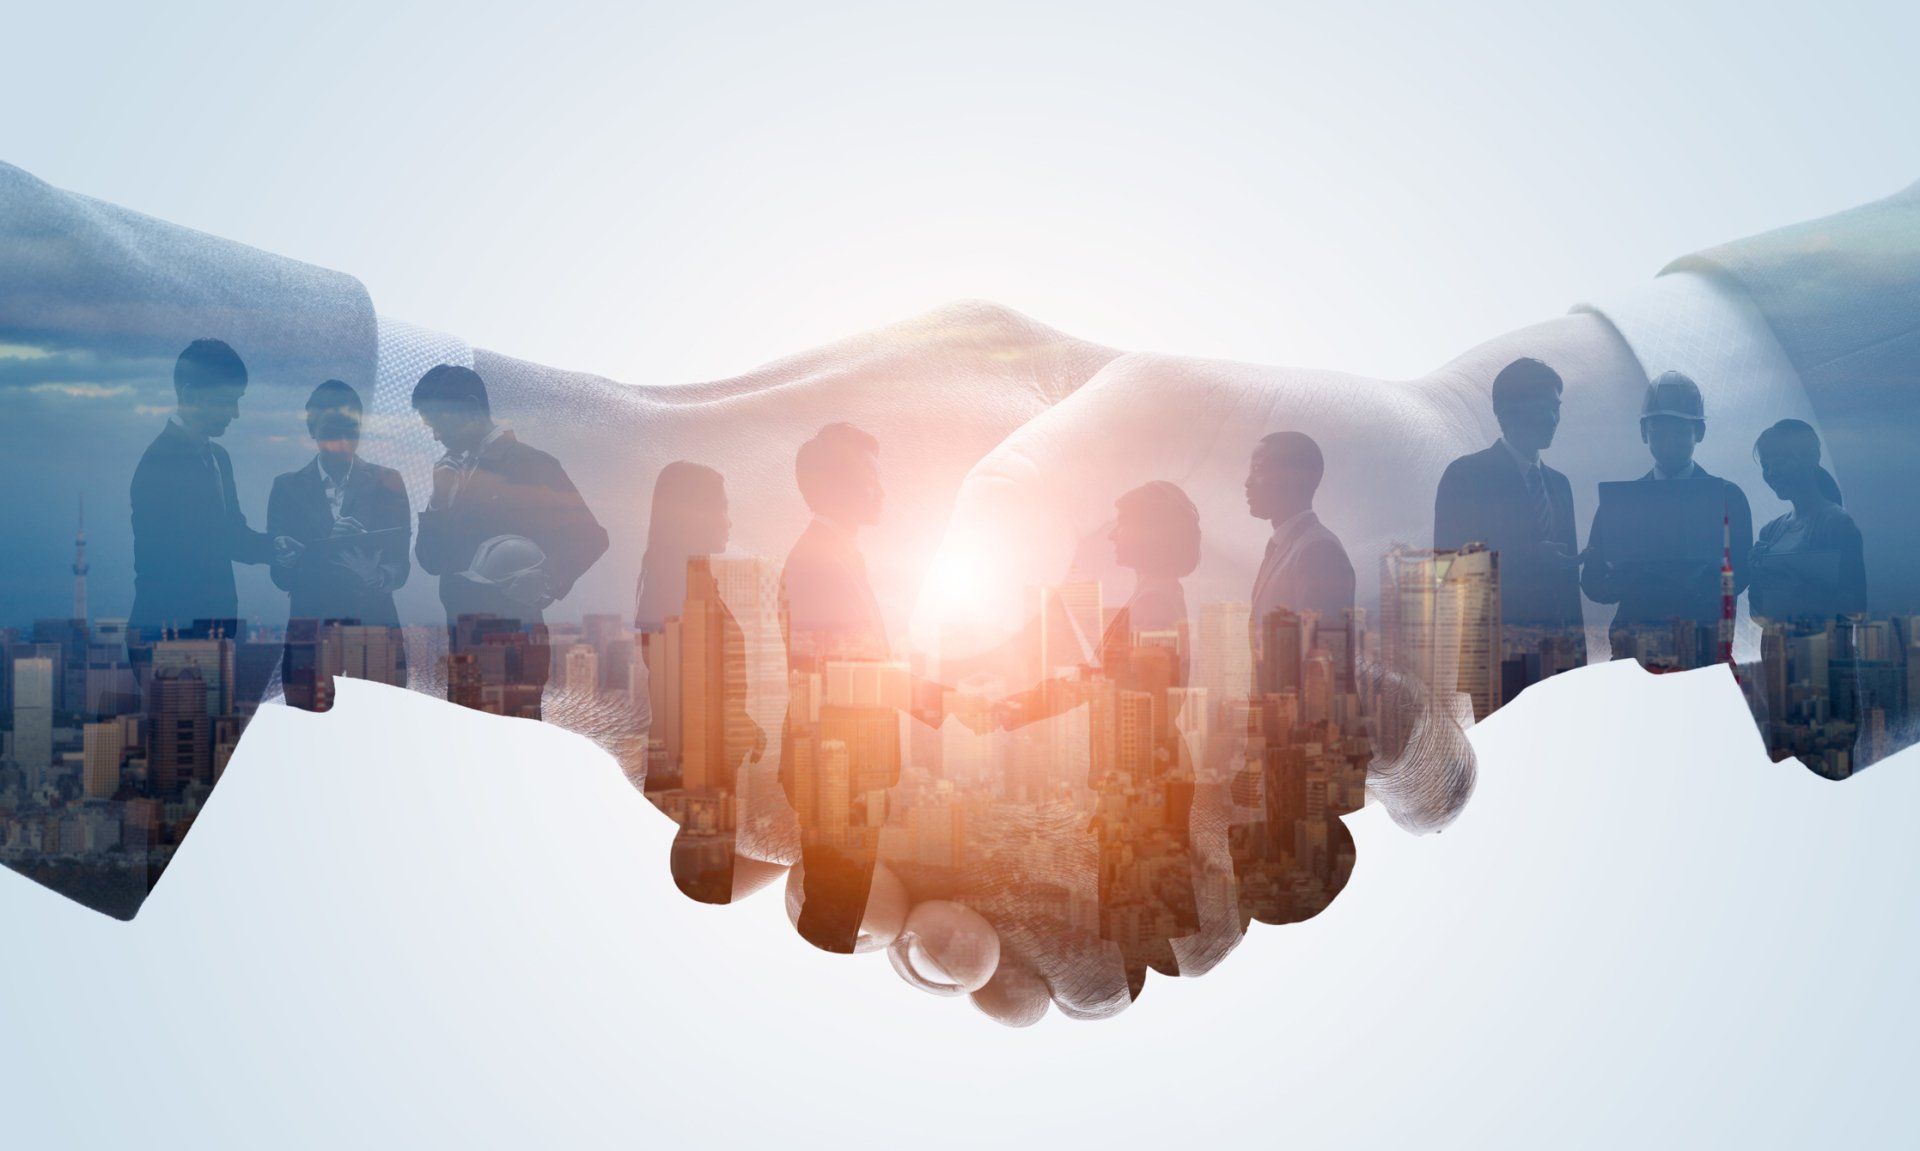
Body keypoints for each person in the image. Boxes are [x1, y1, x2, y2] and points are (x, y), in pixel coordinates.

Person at [994, 481, 1205, 999]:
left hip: (1142, 788)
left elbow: (1129, 693)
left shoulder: (1154, 605)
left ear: (1155, 532)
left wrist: (1020, 707)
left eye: (1125, 522)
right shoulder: (1153, 599)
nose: (1113, 535)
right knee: (1144, 937)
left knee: (1140, 938)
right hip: (1143, 783)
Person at [412, 364, 609, 721]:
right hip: (464, 642)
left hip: (514, 645)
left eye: (439, 422)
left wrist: (546, 577)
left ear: (469, 407)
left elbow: (591, 537)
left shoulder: (532, 465)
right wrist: (439, 500)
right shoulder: (450, 473)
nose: (437, 435)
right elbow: (430, 559)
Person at [634, 462, 769, 903]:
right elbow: (685, 681)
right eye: (721, 509)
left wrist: (741, 722)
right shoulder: (678, 587)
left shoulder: (693, 581)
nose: (728, 521)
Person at [128, 339, 301, 637]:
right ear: (191, 395)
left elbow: (231, 534)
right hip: (170, 637)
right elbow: (182, 553)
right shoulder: (158, 464)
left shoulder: (219, 458)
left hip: (211, 636)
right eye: (226, 400)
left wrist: (274, 547)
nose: (235, 413)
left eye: (238, 400)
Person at [1582, 372, 1752, 663]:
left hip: (1702, 651)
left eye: (1679, 431)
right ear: (1644, 431)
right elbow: (1593, 581)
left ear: (1698, 433)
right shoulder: (1619, 505)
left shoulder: (1728, 498)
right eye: (1658, 431)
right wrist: (1634, 580)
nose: (1668, 441)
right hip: (1636, 654)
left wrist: (1669, 581)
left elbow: (1743, 573)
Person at [1434, 356, 1586, 668]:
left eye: (1557, 407)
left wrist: (1578, 663)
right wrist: (1526, 558)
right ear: (1508, 410)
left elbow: (1568, 586)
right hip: (1497, 661)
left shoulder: (1560, 485)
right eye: (1545, 406)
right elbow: (1447, 571)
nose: (1554, 417)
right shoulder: (1466, 476)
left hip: (1559, 661)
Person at [267, 381, 411, 707]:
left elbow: (401, 566)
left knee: (379, 740)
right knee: (310, 743)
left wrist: (374, 574)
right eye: (333, 430)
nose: (344, 441)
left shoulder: (388, 482)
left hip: (374, 635)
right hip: (313, 639)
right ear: (311, 429)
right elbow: (280, 576)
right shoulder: (286, 489)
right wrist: (321, 548)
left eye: (352, 430)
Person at [1747, 419, 1867, 623]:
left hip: (1820, 651)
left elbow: (1855, 609)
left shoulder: (1836, 524)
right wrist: (1755, 576)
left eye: (1780, 462)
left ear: (1811, 458)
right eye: (1766, 465)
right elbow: (1759, 615)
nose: (1771, 473)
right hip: (1775, 650)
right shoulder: (1769, 531)